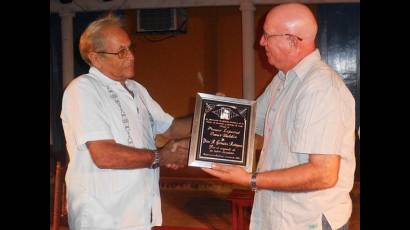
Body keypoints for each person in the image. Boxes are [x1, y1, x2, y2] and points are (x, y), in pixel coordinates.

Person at [202, 3, 356, 230]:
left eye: (266, 35)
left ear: (292, 41)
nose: (261, 42)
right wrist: (217, 113)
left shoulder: (321, 88)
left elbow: (323, 174)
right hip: (282, 215)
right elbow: (250, 122)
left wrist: (250, 180)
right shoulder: (283, 80)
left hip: (306, 220)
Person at [60, 14, 191, 230]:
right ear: (95, 58)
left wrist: (209, 115)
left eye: (130, 48)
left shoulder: (137, 90)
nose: (131, 56)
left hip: (137, 214)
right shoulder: (83, 90)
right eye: (121, 52)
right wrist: (161, 156)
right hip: (102, 217)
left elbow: (172, 128)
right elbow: (104, 155)